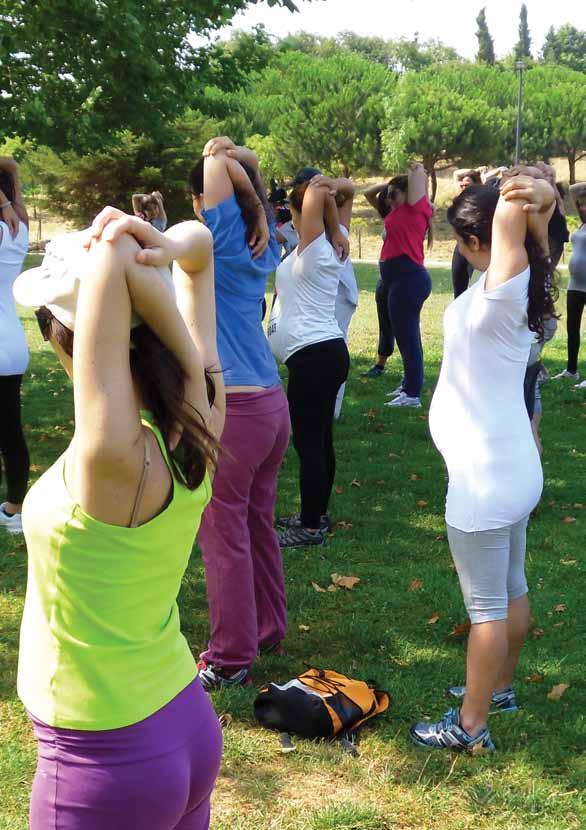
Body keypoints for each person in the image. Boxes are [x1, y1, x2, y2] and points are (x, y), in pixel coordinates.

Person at [14, 211, 224, 828]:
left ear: (68, 339)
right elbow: (200, 248)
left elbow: (119, 260)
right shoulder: (202, 413)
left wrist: (113, 248)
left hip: (103, 760)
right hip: (182, 719)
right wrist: (187, 353)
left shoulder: (107, 456)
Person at [411, 173, 557, 753]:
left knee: (487, 612)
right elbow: (529, 239)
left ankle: (470, 726)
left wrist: (521, 194)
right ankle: (498, 690)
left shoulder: (503, 286)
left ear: (479, 239)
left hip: (485, 481)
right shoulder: (526, 281)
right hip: (513, 468)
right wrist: (536, 214)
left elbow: (510, 224)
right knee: (512, 587)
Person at [188, 137, 291, 689]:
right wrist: (241, 168)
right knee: (256, 523)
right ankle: (268, 626)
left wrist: (218, 154)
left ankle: (229, 657)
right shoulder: (261, 239)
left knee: (223, 531)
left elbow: (216, 170)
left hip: (239, 410)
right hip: (271, 404)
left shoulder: (224, 240)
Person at [268, 168, 353, 548]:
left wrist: (323, 210)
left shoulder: (316, 245)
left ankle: (311, 527)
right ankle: (315, 513)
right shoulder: (328, 241)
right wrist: (335, 224)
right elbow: (341, 189)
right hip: (322, 354)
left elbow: (323, 187)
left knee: (309, 443)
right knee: (321, 439)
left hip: (315, 356)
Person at [377, 164, 433, 408]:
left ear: (408, 192)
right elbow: (372, 195)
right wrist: (389, 188)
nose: (389, 200)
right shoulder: (396, 212)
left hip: (408, 279)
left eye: (393, 195)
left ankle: (411, 395)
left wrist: (414, 169)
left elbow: (418, 174)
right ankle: (408, 385)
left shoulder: (417, 208)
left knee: (409, 339)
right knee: (406, 338)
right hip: (398, 280)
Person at [0, 156, 30, 534]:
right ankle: (15, 509)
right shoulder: (18, 228)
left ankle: (14, 511)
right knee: (10, 431)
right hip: (13, 342)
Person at [552, 182, 586, 386]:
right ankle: (571, 370)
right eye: (581, 204)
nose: (582, 207)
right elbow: (574, 190)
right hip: (575, 285)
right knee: (572, 329)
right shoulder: (581, 224)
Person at [362, 180, 396, 378]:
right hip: (385, 276)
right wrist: (391, 183)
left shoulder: (412, 215)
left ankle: (412, 375)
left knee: (404, 326)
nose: (390, 200)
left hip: (403, 276)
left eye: (395, 195)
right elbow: (368, 193)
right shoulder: (390, 214)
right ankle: (380, 363)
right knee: (385, 322)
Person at [452, 169, 482, 298]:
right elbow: (456, 174)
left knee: (475, 286)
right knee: (458, 288)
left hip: (476, 247)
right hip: (460, 248)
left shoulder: (482, 202)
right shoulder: (458, 202)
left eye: (467, 185)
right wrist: (473, 172)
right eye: (462, 185)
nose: (464, 187)